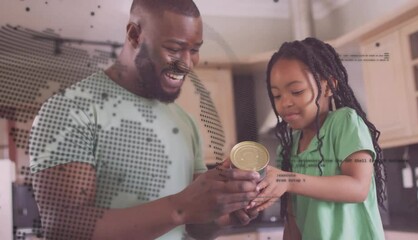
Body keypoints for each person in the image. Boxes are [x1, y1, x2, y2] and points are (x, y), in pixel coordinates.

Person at [28, 0, 260, 239]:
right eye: (173, 48)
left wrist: (223, 210)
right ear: (135, 34)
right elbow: (63, 226)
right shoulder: (70, 109)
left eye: (194, 50)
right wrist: (180, 207)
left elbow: (191, 223)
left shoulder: (184, 122)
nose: (187, 63)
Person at [249, 38, 387, 240]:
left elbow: (358, 187)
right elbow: (293, 221)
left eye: (296, 91)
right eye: (276, 95)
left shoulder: (345, 122)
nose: (285, 103)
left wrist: (289, 180)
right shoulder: (287, 149)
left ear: (329, 86)